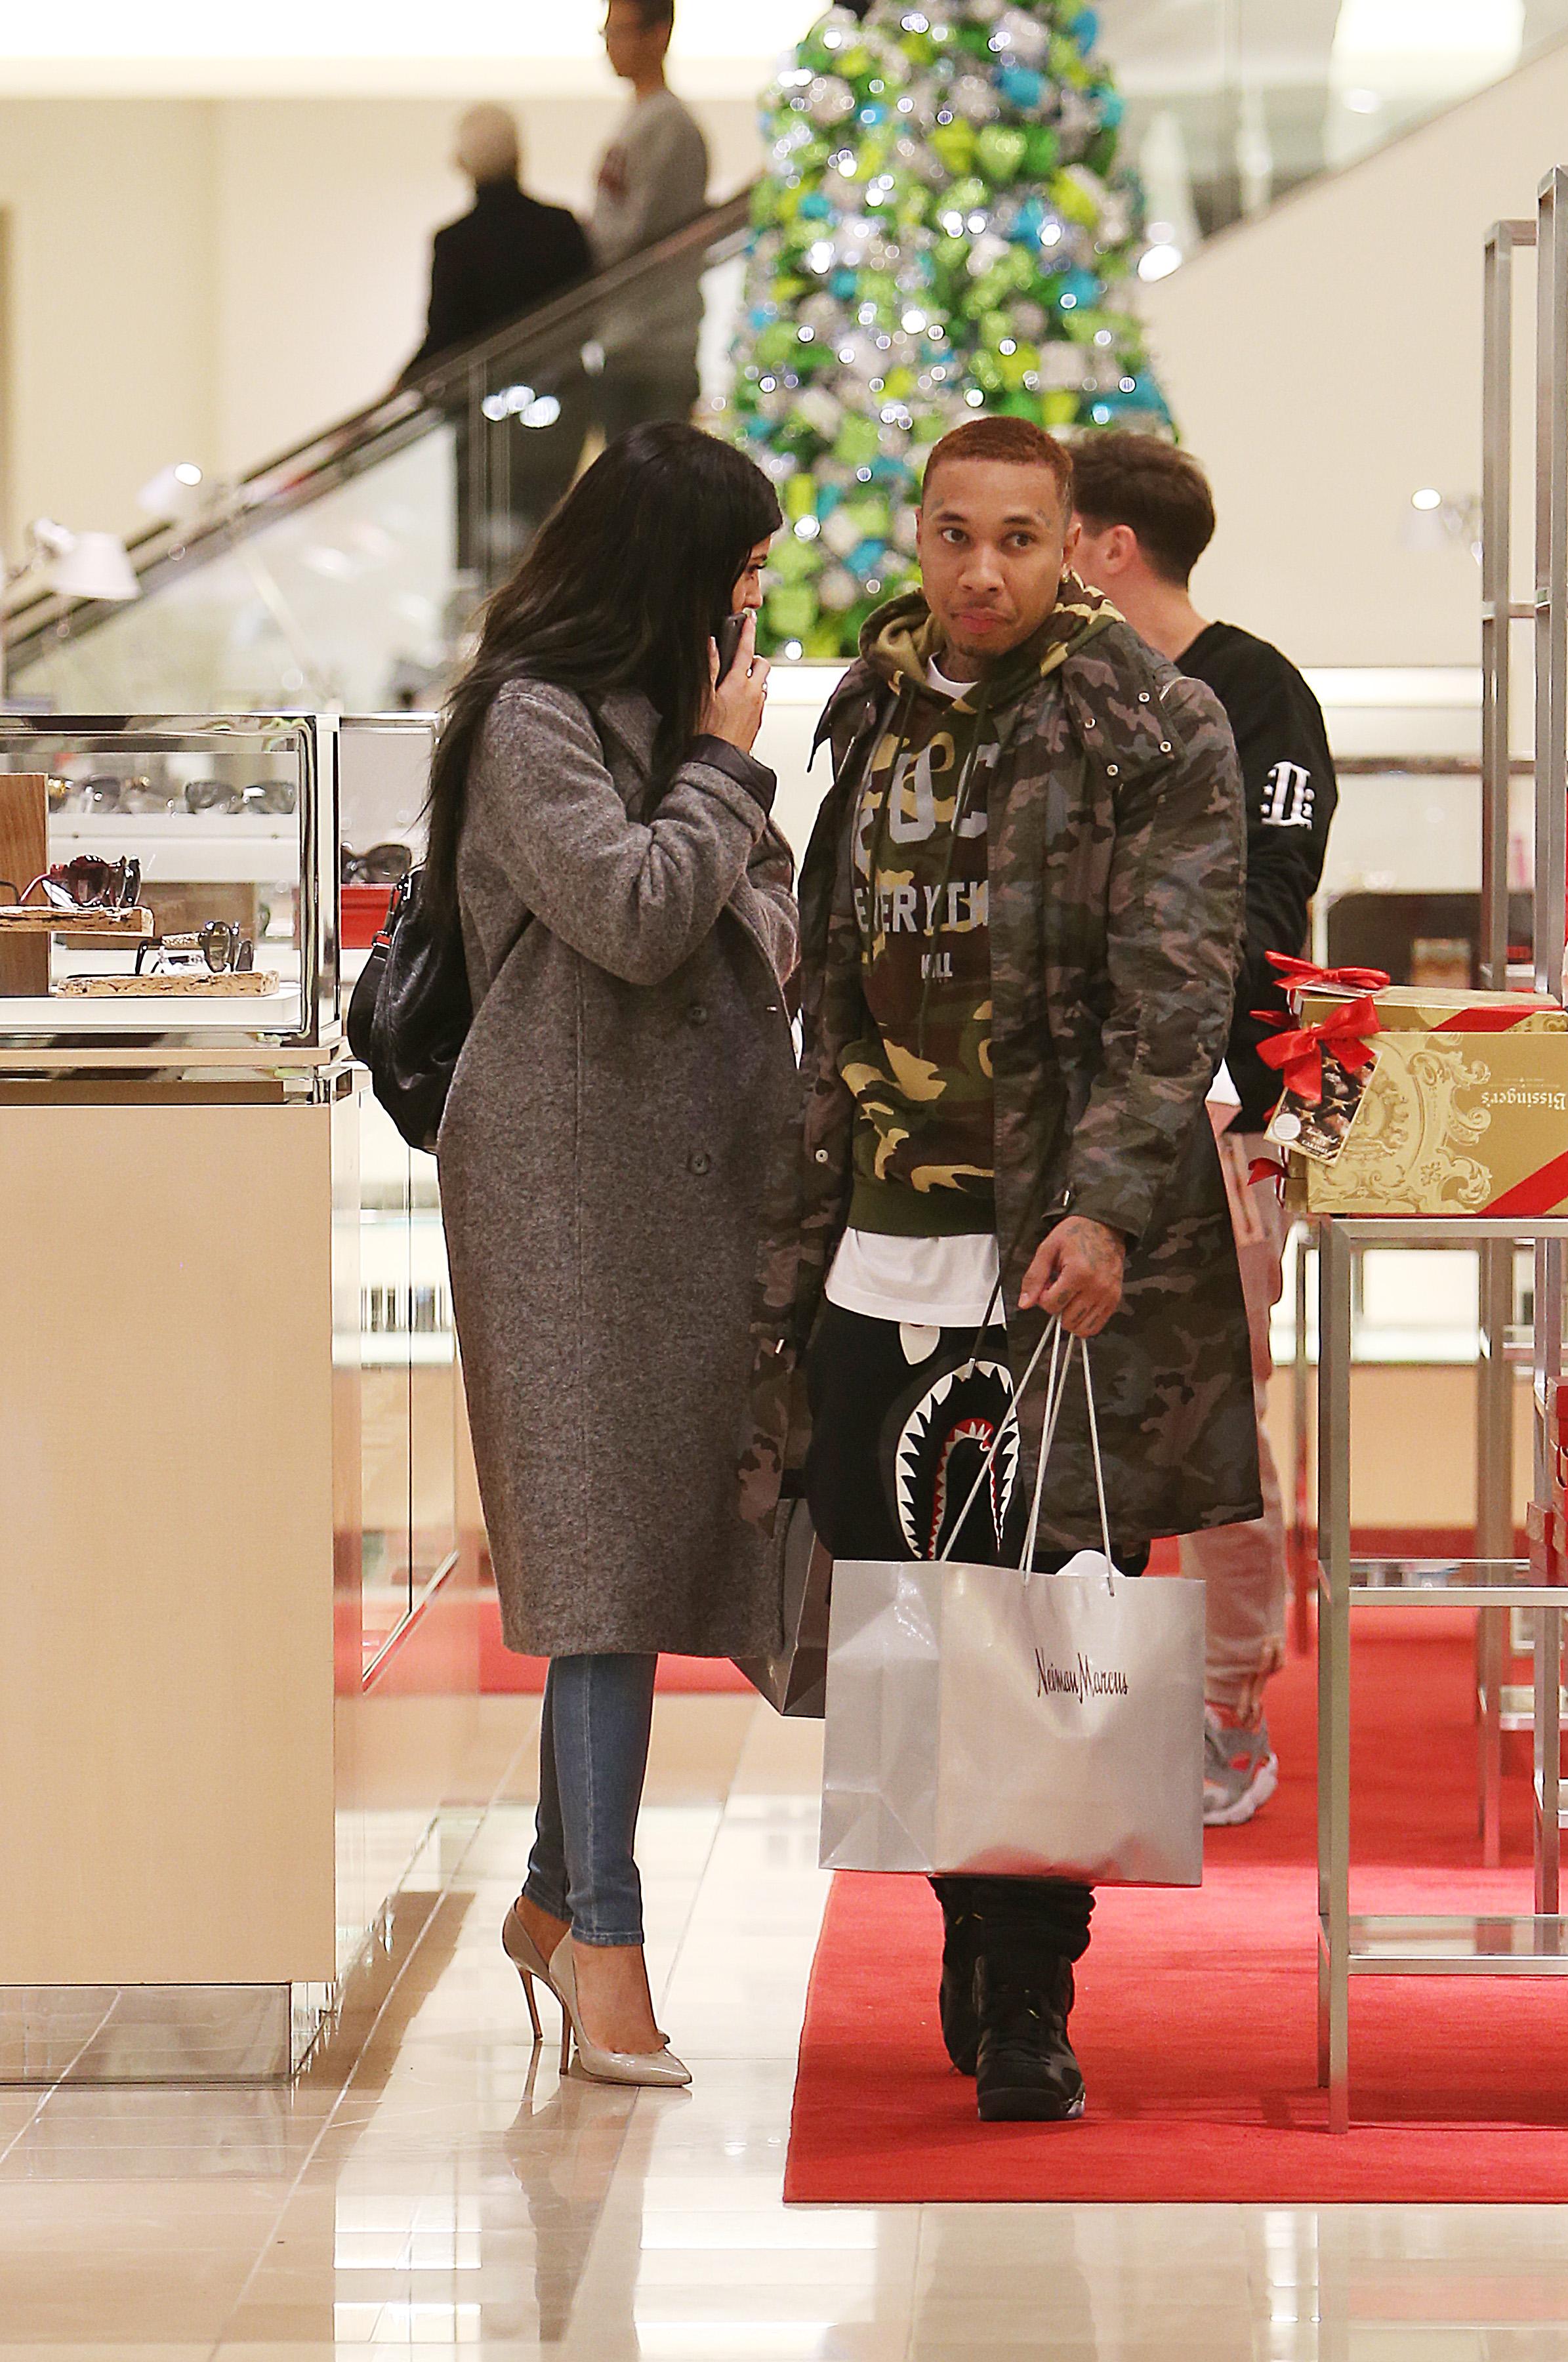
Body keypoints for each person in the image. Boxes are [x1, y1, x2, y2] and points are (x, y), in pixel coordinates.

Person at [740, 415, 1258, 2124]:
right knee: (906, 1594)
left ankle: (1033, 1979)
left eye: (1019, 539)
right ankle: (976, 1911)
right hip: (884, 1233)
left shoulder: (1152, 724)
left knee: (1052, 1593)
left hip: (1064, 1247)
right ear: (922, 534)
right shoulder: (875, 708)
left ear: (1069, 546)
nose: (983, 571)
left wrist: (1108, 1202)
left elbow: (1173, 990)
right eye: (955, 535)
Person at [431, 423, 798, 2086]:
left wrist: (723, 801)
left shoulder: (680, 711)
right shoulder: (532, 717)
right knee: (597, 1567)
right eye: (739, 567)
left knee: (635, 1552)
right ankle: (607, 1941)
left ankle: (541, 1896)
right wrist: (724, 777)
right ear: (671, 563)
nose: (752, 601)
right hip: (565, 1187)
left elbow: (771, 917)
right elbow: (644, 914)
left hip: (707, 1176)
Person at [1069, 430, 1337, 1827]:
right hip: (1073, 1122)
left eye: (1049, 534)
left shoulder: (1257, 694)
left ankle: (1229, 1703)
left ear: (1110, 547)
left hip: (1225, 1125)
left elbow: (1262, 916)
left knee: (1222, 1423)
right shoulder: (1062, 692)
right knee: (1071, 1426)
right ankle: (1082, 1695)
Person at [403, 107, 594, 576]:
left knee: (485, 556)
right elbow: (588, 319)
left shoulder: (456, 242)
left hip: (482, 422)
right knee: (549, 541)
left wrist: (402, 386)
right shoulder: (561, 227)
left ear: (463, 162)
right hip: (558, 413)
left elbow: (443, 338)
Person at [591, 0, 711, 438]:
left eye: (618, 31)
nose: (610, 46)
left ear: (658, 35)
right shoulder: (637, 120)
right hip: (628, 336)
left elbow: (632, 232)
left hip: (657, 342)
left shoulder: (668, 126)